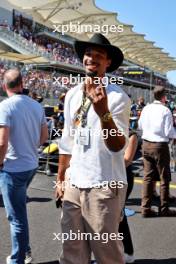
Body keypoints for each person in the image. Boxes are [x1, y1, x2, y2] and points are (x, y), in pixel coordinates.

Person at [55, 33, 131, 264]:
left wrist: (103, 112)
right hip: (74, 183)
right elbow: (67, 140)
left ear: (108, 63)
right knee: (71, 253)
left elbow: (118, 146)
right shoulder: (71, 94)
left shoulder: (118, 98)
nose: (92, 58)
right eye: (89, 54)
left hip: (104, 184)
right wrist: (60, 179)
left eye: (99, 55)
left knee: (107, 255)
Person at [0, 69, 48, 264]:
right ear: (22, 84)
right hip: (30, 165)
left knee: (16, 217)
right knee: (19, 212)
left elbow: (2, 142)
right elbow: (44, 138)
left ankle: (18, 259)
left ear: (5, 87)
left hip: (13, 168)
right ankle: (23, 251)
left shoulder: (5, 106)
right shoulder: (37, 106)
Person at [138, 86, 176, 217]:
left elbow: (140, 126)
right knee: (164, 178)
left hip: (146, 144)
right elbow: (168, 132)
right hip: (160, 145)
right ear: (164, 97)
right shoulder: (165, 110)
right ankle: (164, 208)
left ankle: (145, 208)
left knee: (147, 177)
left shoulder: (146, 108)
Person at [119, 129, 138, 263]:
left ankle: (127, 252)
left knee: (119, 215)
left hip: (123, 177)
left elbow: (127, 160)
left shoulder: (131, 136)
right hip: (106, 177)